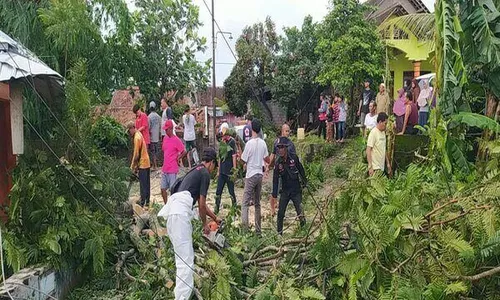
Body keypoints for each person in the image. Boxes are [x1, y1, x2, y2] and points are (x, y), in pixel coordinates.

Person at [159, 148, 220, 300]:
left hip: (173, 213)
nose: (212, 170)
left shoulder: (195, 170)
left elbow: (202, 206)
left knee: (182, 258)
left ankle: (182, 295)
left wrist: (215, 218)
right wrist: (205, 225)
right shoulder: (205, 173)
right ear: (212, 163)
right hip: (180, 215)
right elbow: (201, 205)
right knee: (185, 262)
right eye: (214, 167)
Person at [271, 137, 306, 235]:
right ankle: (279, 234)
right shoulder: (278, 163)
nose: (280, 150)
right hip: (285, 191)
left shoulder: (293, 158)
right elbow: (275, 179)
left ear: (286, 148)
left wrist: (305, 181)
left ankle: (304, 233)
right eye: (279, 148)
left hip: (296, 190)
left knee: (300, 212)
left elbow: (301, 169)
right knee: (280, 214)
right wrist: (274, 195)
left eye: (282, 147)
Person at [241, 118, 270, 234]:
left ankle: (245, 230)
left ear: (252, 128)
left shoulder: (249, 144)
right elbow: (267, 159)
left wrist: (241, 160)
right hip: (259, 174)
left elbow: (243, 160)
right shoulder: (263, 143)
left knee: (245, 203)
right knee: (257, 203)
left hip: (251, 174)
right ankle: (258, 230)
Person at [268, 124, 296, 215]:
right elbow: (272, 154)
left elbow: (294, 157)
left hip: (287, 171)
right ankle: (272, 209)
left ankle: (281, 208)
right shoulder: (277, 142)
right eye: (286, 131)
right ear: (282, 131)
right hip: (277, 169)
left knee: (283, 189)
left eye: (289, 131)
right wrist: (268, 166)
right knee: (274, 189)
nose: (288, 133)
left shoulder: (290, 144)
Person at [161, 120, 186, 204]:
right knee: (163, 188)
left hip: (172, 169)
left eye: (166, 129)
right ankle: (166, 205)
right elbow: (164, 150)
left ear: (171, 129)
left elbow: (184, 151)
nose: (165, 131)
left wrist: (179, 158)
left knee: (172, 189)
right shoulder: (165, 138)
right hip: (165, 168)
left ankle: (173, 205)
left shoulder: (176, 140)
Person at [127, 121, 151, 207]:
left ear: (132, 128)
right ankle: (147, 201)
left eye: (129, 130)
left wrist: (132, 166)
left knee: (143, 184)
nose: (129, 133)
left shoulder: (136, 138)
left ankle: (142, 202)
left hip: (143, 163)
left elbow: (136, 154)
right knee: (147, 183)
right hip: (146, 161)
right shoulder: (139, 134)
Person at [215, 127, 238, 214]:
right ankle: (216, 209)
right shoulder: (222, 143)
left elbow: (234, 156)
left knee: (231, 191)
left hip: (229, 171)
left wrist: (234, 170)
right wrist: (218, 170)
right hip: (222, 171)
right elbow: (220, 157)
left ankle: (235, 208)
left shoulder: (232, 142)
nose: (223, 137)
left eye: (224, 136)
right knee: (218, 191)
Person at [366, 113, 392, 177]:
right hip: (375, 167)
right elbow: (368, 150)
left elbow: (384, 149)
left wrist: (388, 163)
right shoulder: (373, 132)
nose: (386, 125)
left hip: (381, 166)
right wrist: (370, 166)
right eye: (385, 123)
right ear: (380, 122)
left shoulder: (383, 133)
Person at [148, 101, 162, 170]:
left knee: (152, 152)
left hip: (151, 137)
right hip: (157, 137)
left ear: (150, 108)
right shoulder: (159, 117)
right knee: (156, 152)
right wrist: (160, 136)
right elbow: (160, 127)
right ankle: (155, 165)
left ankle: (155, 166)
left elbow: (148, 128)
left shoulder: (149, 117)